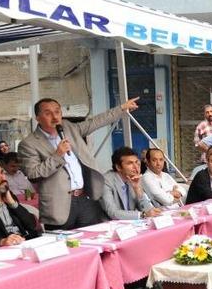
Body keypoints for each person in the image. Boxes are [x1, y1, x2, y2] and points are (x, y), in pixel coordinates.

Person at [19, 96, 140, 229]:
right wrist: (57, 155)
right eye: (48, 113)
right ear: (37, 118)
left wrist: (121, 108)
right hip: (59, 205)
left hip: (86, 197)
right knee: (64, 241)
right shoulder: (29, 144)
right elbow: (33, 174)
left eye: (57, 111)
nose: (55, 116)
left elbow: (94, 122)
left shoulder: (68, 127)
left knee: (93, 237)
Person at [100, 147, 161, 220]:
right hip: (109, 224)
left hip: (129, 224)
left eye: (136, 162)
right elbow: (113, 213)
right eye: (130, 163)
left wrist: (138, 190)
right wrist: (143, 215)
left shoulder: (134, 179)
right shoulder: (106, 181)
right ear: (118, 167)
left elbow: (148, 210)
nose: (136, 167)